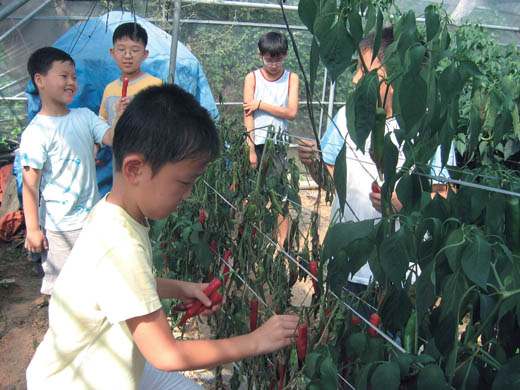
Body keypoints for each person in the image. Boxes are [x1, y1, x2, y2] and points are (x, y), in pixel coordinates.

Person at [26, 84, 299, 389]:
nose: (189, 193)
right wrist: (256, 341)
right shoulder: (119, 243)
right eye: (183, 183)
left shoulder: (113, 213)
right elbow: (166, 354)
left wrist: (182, 288)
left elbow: (120, 284)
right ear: (135, 170)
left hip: (107, 364)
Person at [298, 27, 455, 291]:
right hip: (348, 261)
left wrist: (406, 203)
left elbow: (445, 195)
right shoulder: (349, 117)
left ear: (396, 73)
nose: (356, 79)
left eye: (364, 69)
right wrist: (313, 163)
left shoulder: (427, 128)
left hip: (401, 272)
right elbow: (332, 184)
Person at [20, 47, 114, 297]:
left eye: (74, 76)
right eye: (64, 76)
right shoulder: (36, 132)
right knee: (62, 291)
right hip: (60, 227)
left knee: (92, 283)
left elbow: (113, 138)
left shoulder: (85, 117)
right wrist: (32, 230)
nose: (71, 82)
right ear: (39, 80)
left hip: (91, 220)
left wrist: (123, 117)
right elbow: (30, 187)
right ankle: (61, 335)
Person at [243, 31, 299, 246]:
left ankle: (282, 244)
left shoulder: (291, 78)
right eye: (269, 59)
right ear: (260, 55)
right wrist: (250, 149)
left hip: (278, 146)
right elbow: (248, 115)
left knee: (279, 195)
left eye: (278, 59)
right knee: (251, 194)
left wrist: (261, 105)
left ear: (285, 55)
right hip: (256, 143)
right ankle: (250, 238)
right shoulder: (252, 78)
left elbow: (291, 112)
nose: (274, 64)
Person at [97, 22, 162, 197]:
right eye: (121, 49)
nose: (127, 55)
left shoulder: (155, 86)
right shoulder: (110, 89)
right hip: (119, 169)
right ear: (112, 53)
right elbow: (101, 127)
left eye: (134, 50)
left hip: (149, 166)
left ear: (145, 54)